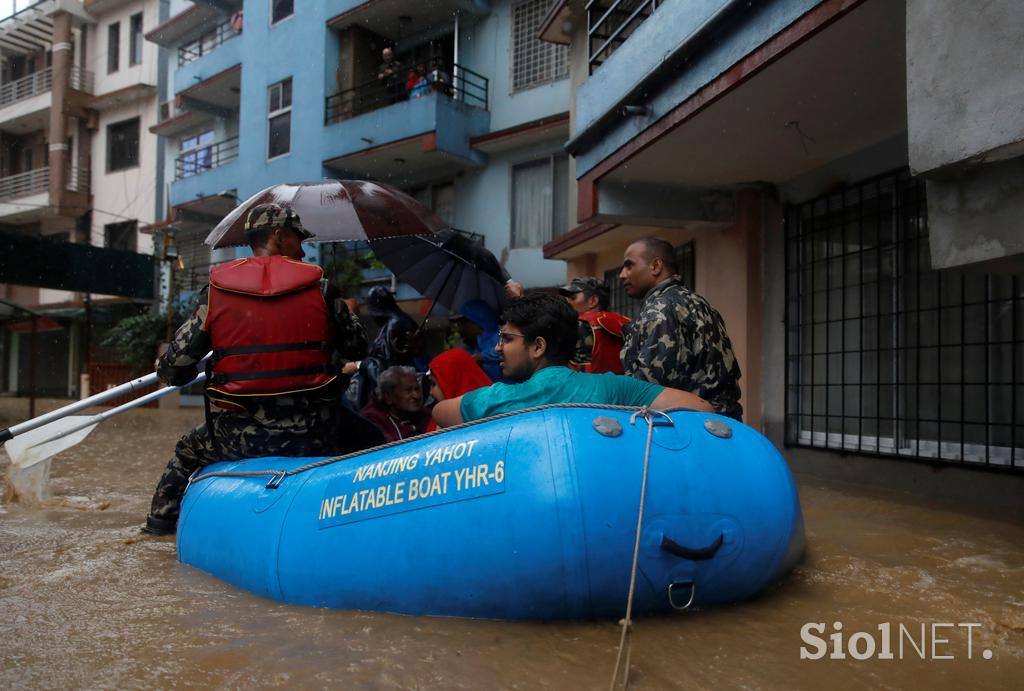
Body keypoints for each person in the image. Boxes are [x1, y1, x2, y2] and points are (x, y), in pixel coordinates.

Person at [142, 203, 373, 536]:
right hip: (316, 434)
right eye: (298, 240)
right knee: (372, 439)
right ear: (279, 236)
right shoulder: (321, 289)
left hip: (239, 438)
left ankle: (158, 530)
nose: (304, 250)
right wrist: (344, 315)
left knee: (186, 451)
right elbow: (357, 348)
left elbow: (174, 371)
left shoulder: (217, 291)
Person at [432, 294, 712, 427]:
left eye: (507, 339)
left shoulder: (500, 399)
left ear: (538, 346)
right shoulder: (614, 389)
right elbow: (700, 407)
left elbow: (440, 412)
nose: (497, 347)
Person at [619, 237, 743, 420]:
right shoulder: (697, 302)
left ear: (655, 266)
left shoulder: (661, 310)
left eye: (629, 266)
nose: (622, 275)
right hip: (722, 428)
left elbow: (649, 393)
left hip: (687, 430)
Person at [343, 286, 425, 410]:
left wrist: (359, 365)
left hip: (395, 391)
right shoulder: (394, 323)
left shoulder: (394, 325)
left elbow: (385, 368)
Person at [558, 276, 630, 374]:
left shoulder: (580, 324)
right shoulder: (624, 321)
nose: (568, 302)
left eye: (572, 298)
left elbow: (578, 371)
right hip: (623, 386)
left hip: (589, 386)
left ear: (593, 301)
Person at [425, 348, 491, 431]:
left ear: (451, 382)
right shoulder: (440, 419)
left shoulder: (491, 410)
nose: (431, 392)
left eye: (434, 384)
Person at [360, 366, 431, 442]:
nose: (416, 396)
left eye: (417, 389)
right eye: (408, 390)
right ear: (388, 397)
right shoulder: (371, 421)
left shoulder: (426, 414)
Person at [452, 299, 513, 384]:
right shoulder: (472, 345)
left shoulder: (499, 337)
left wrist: (481, 357)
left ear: (477, 321)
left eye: (463, 323)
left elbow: (507, 351)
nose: (460, 329)